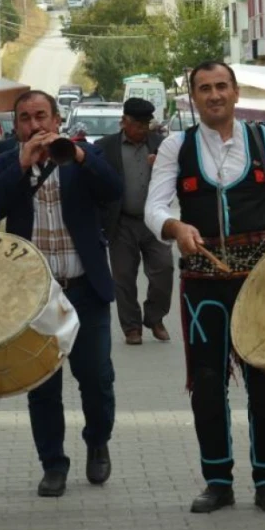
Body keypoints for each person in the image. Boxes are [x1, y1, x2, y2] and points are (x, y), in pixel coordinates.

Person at [144, 60, 265, 515]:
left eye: (222, 86)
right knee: (206, 383)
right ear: (193, 98)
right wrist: (176, 226)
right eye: (205, 88)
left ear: (236, 92)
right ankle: (217, 479)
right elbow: (154, 207)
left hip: (262, 285)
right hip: (203, 286)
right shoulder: (175, 147)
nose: (214, 95)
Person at [0, 90, 122, 497]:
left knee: (96, 378)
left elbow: (113, 190)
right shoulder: (8, 162)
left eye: (41, 116)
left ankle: (97, 440)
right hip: (35, 296)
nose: (35, 125)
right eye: (25, 118)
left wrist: (77, 155)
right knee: (42, 385)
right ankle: (53, 464)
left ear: (57, 119)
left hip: (85, 289)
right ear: (16, 125)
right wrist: (22, 166)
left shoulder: (81, 155)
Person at [96, 97, 173, 345]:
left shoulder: (162, 145)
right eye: (137, 124)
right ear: (124, 122)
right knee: (124, 277)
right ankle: (131, 328)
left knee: (164, 270)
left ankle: (155, 317)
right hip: (121, 223)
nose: (142, 129)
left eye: (146, 124)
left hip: (155, 220)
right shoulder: (105, 147)